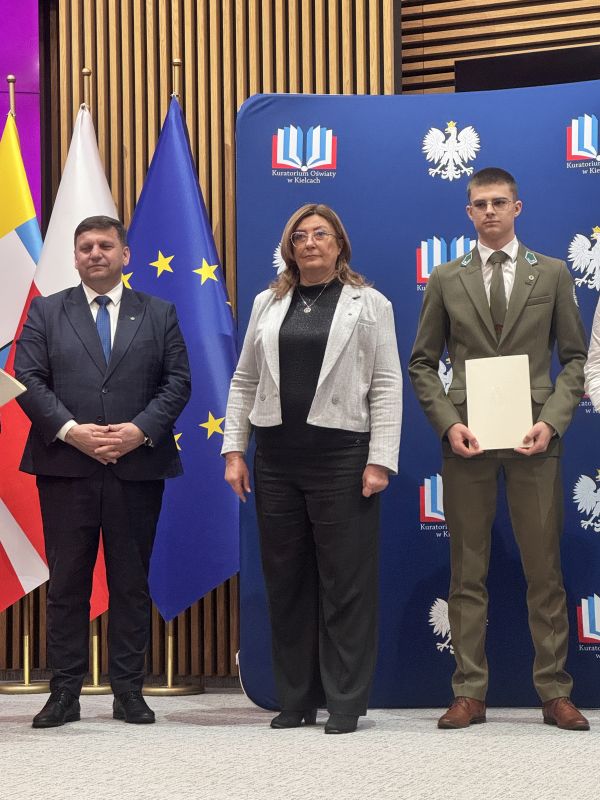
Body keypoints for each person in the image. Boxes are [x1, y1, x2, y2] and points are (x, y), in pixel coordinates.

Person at [409, 167, 590, 731]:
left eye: (499, 202)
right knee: (467, 570)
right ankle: (468, 691)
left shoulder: (553, 273)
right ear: (469, 212)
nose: (490, 211)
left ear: (518, 208)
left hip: (535, 439)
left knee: (545, 570)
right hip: (469, 439)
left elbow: (576, 360)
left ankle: (555, 692)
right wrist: (448, 424)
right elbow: (422, 363)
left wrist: (552, 422)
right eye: (480, 204)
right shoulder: (446, 278)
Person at [222, 203, 402, 734]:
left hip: (342, 458)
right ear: (289, 248)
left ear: (339, 244)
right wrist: (235, 450)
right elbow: (245, 380)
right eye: (299, 236)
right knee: (287, 582)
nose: (310, 243)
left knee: (345, 584)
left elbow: (387, 384)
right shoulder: (267, 302)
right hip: (276, 459)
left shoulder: (370, 304)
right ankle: (294, 698)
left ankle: (344, 702)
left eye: (320, 234)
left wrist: (380, 459)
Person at [15, 215, 191, 728]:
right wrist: (73, 431)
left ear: (125, 254)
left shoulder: (159, 313)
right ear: (74, 258)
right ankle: (64, 693)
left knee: (131, 584)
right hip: (66, 467)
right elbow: (28, 377)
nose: (96, 253)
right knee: (68, 584)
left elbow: (178, 382)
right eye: (86, 246)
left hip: (137, 466)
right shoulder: (46, 311)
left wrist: (138, 431)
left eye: (105, 245)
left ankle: (128, 692)